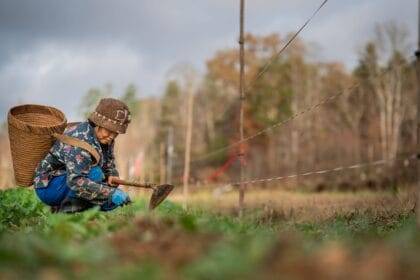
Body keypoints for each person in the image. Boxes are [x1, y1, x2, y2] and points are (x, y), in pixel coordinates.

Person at [33, 98, 131, 213]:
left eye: (116, 133)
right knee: (96, 174)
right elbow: (76, 181)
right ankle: (65, 212)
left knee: (102, 181)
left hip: (66, 179)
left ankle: (74, 209)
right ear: (98, 124)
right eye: (109, 131)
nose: (112, 136)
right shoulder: (80, 141)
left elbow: (109, 163)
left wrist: (112, 175)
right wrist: (110, 193)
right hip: (48, 187)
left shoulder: (105, 139)